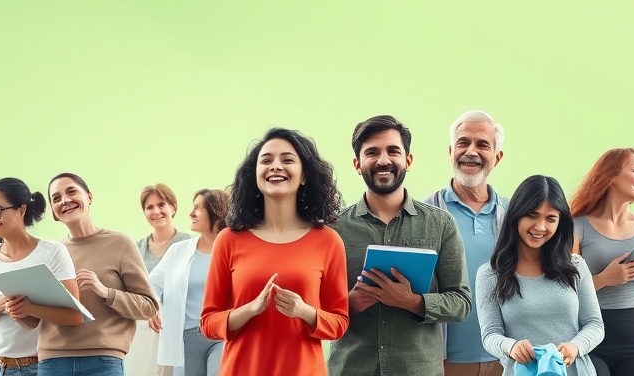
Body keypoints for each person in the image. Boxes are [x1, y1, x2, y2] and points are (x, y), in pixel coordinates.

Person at [329, 115, 472, 376]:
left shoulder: (441, 224)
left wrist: (413, 302)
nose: (383, 160)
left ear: (408, 160)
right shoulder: (333, 229)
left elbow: (461, 302)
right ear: (357, 164)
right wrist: (347, 303)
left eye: (393, 151)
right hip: (350, 369)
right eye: (372, 152)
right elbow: (314, 306)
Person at [200, 127, 349, 376]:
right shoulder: (229, 240)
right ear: (255, 176)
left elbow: (340, 322)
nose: (275, 166)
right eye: (266, 160)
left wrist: (305, 312)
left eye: (287, 159)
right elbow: (208, 322)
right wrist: (250, 309)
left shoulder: (328, 241)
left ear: (303, 176)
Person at [475, 175, 604, 376]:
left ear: (560, 222)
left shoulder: (575, 266)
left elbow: (595, 324)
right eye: (532, 215)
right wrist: (511, 346)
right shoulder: (490, 275)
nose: (540, 227)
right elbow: (490, 335)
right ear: (516, 215)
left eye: (550, 218)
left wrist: (575, 347)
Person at [39, 173, 159, 376]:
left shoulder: (120, 243)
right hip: (52, 362)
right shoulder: (50, 253)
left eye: (71, 192)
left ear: (90, 197)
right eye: (56, 198)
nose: (65, 201)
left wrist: (106, 293)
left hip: (103, 362)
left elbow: (149, 307)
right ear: (53, 211)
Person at [423, 110, 509, 376]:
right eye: (463, 142)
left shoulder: (515, 215)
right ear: (450, 151)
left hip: (506, 360)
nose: (471, 151)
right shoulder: (424, 213)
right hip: (443, 362)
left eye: (483, 144)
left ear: (497, 157)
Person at [569, 148, 634, 376]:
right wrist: (606, 279)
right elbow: (565, 294)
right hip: (588, 336)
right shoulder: (576, 227)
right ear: (611, 176)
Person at [0, 177, 84, 376]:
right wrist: (2, 305)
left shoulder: (53, 252)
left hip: (34, 367)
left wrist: (30, 308)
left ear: (21, 210)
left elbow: (74, 316)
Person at [149, 189, 231, 376]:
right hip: (185, 338)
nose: (191, 213)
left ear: (216, 212)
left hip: (222, 336)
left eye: (198, 208)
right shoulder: (178, 251)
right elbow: (152, 284)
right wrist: (153, 307)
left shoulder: (233, 251)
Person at [129, 184, 192, 376]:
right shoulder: (137, 247)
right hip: (143, 327)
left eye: (161, 205)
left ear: (173, 207)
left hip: (174, 326)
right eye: (149, 207)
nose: (156, 211)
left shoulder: (186, 243)